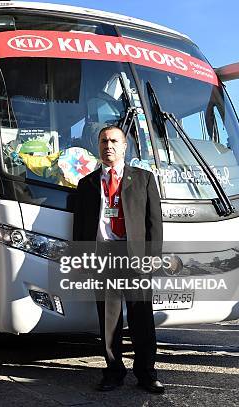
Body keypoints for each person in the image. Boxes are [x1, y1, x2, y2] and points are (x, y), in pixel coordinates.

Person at [73, 125, 164, 394]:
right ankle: (113, 371)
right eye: (103, 141)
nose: (108, 145)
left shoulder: (144, 179)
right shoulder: (86, 184)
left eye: (114, 141)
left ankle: (146, 373)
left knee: (141, 317)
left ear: (125, 146)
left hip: (135, 257)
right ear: (98, 146)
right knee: (109, 320)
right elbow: (79, 228)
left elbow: (154, 224)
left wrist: (153, 259)